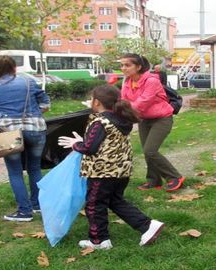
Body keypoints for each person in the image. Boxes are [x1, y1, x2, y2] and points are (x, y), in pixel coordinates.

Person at [58, 85, 165, 250]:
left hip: (103, 172)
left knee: (94, 204)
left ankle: (98, 240)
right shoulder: (121, 119)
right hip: (121, 170)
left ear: (97, 102)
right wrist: (84, 140)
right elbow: (104, 142)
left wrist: (76, 144)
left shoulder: (99, 121)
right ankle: (147, 226)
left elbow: (89, 148)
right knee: (114, 201)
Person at [0, 56, 50, 222]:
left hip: (9, 133)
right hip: (36, 129)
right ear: (14, 67)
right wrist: (34, 113)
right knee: (35, 168)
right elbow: (45, 104)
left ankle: (24, 211)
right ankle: (37, 204)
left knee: (15, 171)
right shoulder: (29, 82)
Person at [120, 53, 185, 192]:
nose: (123, 68)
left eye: (127, 65)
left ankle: (174, 177)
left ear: (138, 67)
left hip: (162, 118)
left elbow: (141, 103)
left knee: (150, 150)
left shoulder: (151, 81)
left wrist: (121, 109)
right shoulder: (127, 82)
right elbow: (123, 101)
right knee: (146, 151)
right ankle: (154, 180)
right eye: (122, 65)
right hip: (144, 119)